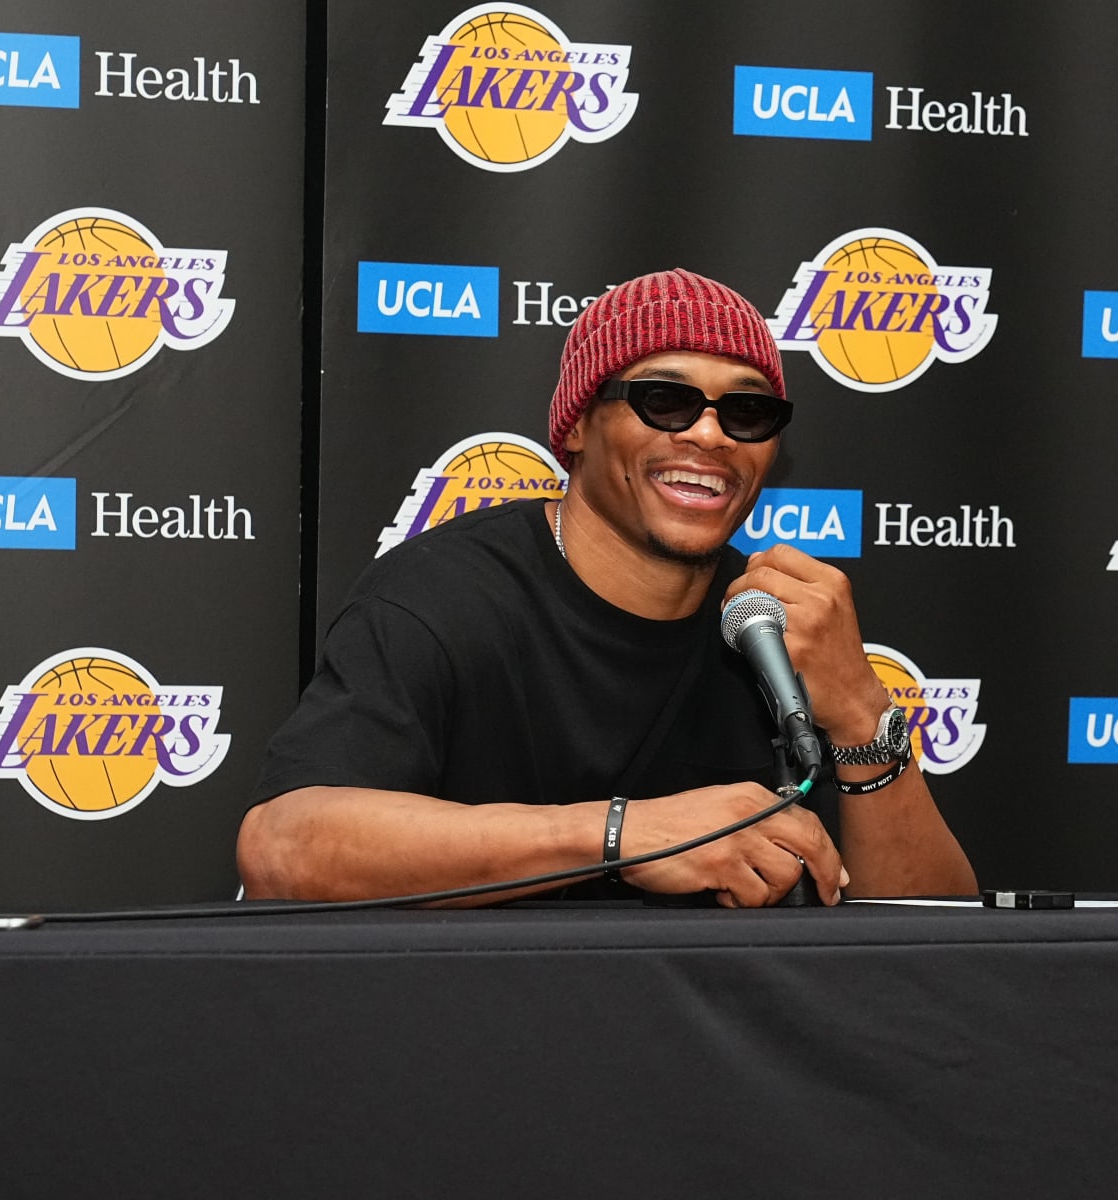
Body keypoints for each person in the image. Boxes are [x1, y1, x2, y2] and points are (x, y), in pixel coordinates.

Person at [237, 268, 976, 906]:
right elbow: (283, 851)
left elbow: (934, 945)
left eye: (747, 411)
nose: (711, 437)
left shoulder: (772, 625)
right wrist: (626, 835)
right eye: (665, 400)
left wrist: (859, 713)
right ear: (578, 426)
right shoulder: (447, 594)